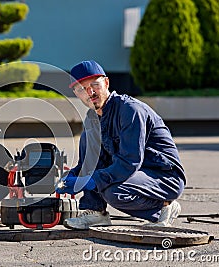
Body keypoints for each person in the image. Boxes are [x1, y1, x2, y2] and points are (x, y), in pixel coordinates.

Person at [55, 60, 186, 230]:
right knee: (91, 153)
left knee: (113, 192)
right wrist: (70, 177)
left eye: (95, 84)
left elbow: (129, 162)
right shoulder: (92, 119)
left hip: (163, 176)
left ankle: (164, 208)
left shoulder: (130, 110)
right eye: (81, 89)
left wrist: (92, 181)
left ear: (107, 83)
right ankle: (96, 213)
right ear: (76, 93)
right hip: (134, 174)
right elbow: (90, 162)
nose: (90, 92)